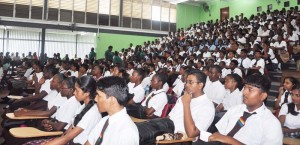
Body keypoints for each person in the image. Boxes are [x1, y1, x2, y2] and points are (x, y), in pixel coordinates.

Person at [137, 69, 215, 144]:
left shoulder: (207, 106)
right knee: (134, 129)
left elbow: (192, 133)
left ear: (200, 85)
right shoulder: (183, 98)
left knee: (138, 135)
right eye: (186, 81)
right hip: (165, 126)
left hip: (177, 137)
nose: (186, 85)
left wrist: (186, 104)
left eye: (190, 82)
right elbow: (169, 117)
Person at [201, 74, 282, 145]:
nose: (244, 92)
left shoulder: (271, 123)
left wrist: (231, 141)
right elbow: (220, 133)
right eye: (244, 88)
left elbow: (226, 139)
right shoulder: (234, 110)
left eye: (250, 89)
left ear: (263, 96)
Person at [42, 76, 102, 145]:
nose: (74, 93)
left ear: (87, 93)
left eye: (77, 90)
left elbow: (67, 138)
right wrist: (55, 140)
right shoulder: (83, 107)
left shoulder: (92, 112)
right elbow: (67, 133)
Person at [85, 76, 139, 145]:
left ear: (112, 100)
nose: (95, 99)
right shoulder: (105, 120)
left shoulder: (127, 132)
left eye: (99, 95)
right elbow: (90, 142)